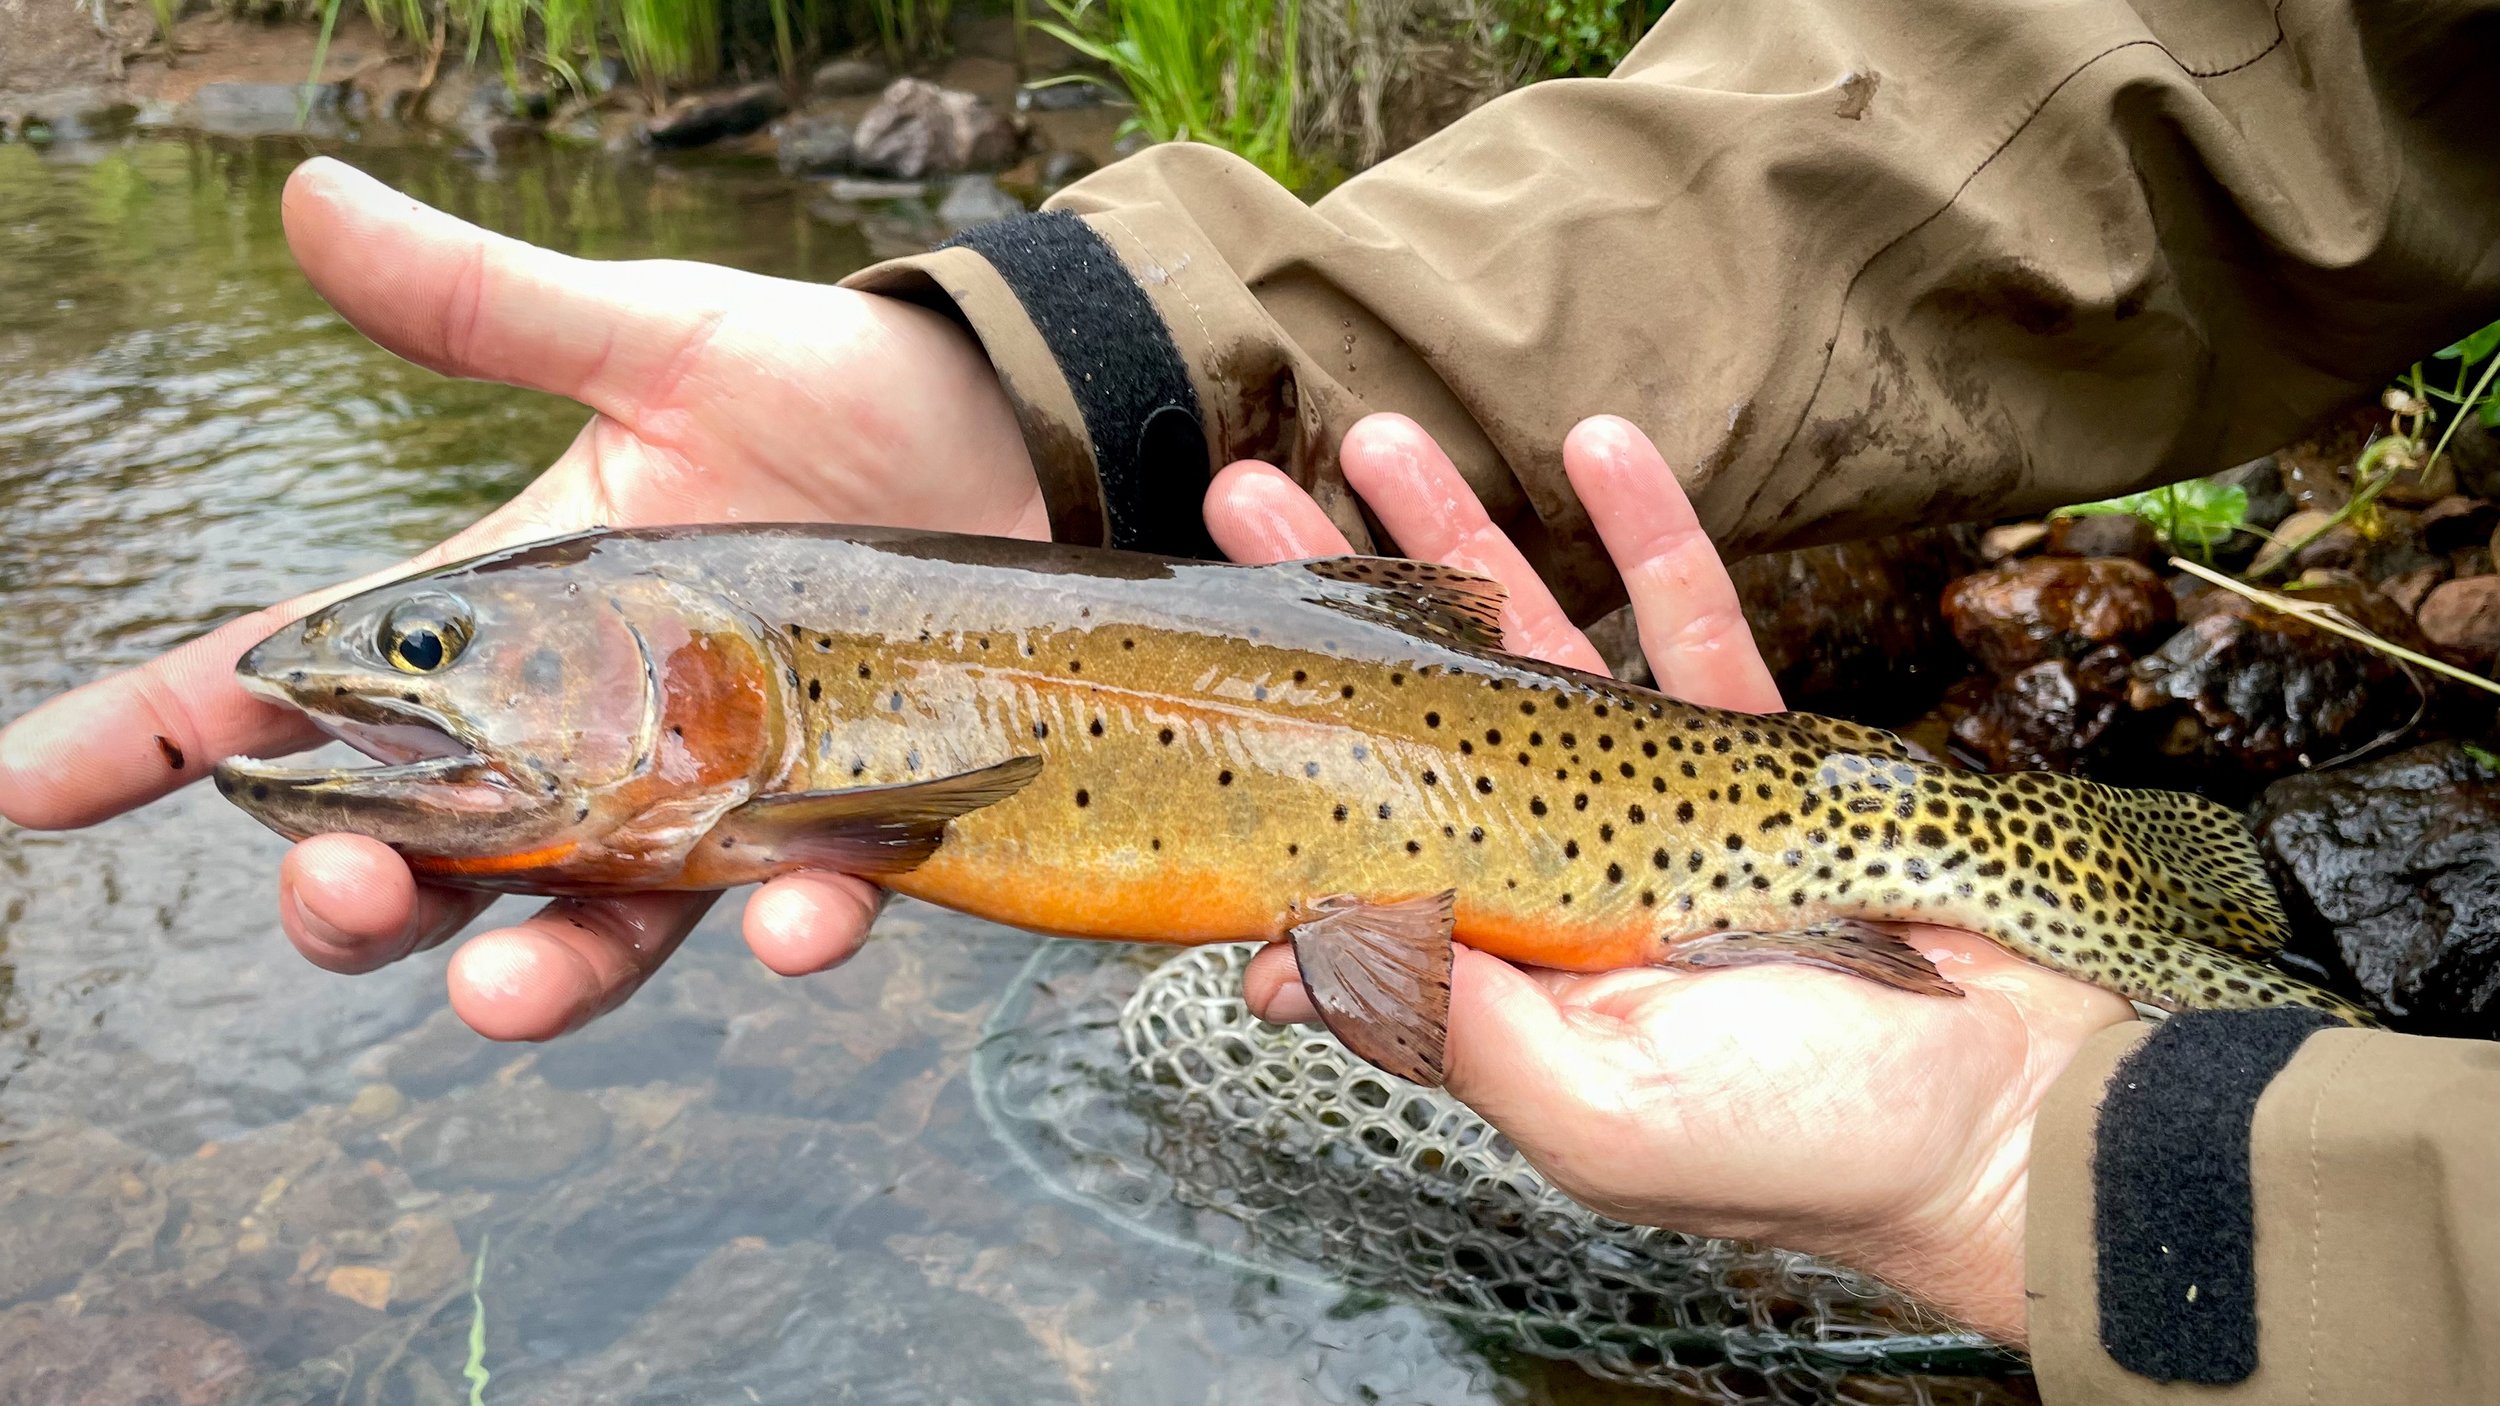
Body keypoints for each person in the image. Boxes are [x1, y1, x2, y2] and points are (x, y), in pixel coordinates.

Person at [1, 0, 2495, 1395]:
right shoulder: (755, 741)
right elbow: (2144, 91)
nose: (389, 688)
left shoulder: (796, 767)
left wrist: (2027, 1167)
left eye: (427, 660)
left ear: (691, 677)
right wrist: (1055, 373)